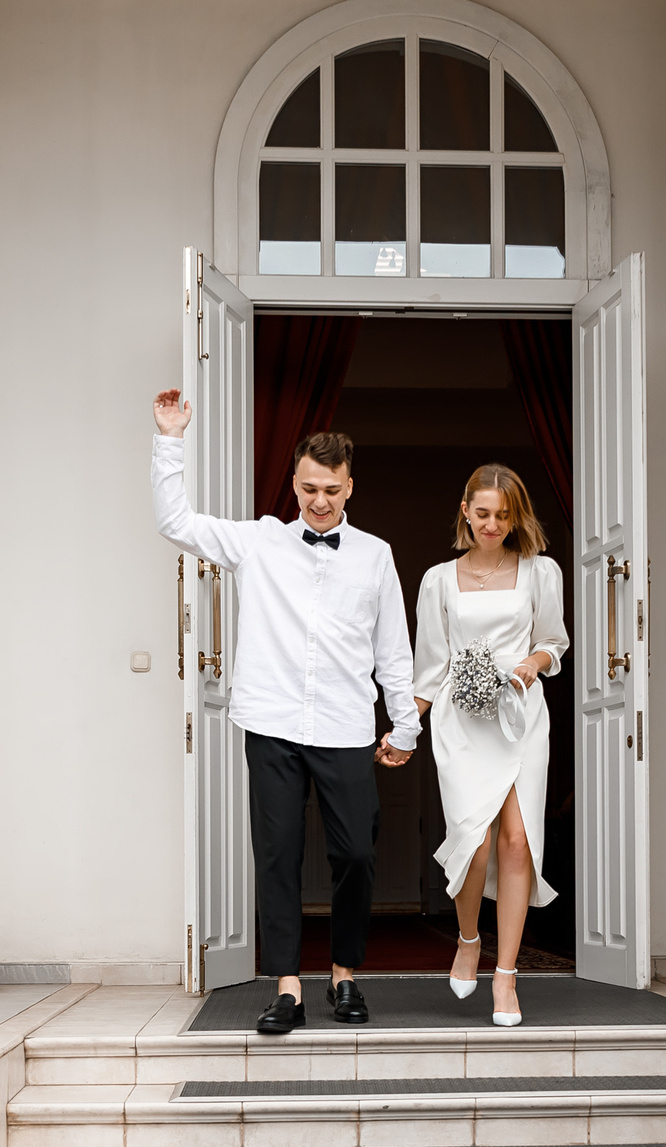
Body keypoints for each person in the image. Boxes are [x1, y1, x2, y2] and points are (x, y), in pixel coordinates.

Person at [150, 389, 418, 1033]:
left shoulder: (375, 554)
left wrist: (405, 725)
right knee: (277, 854)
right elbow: (175, 521)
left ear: (349, 486)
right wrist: (170, 439)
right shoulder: (260, 542)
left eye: (330, 489)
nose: (319, 501)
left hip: (347, 726)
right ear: (293, 485)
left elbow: (392, 649)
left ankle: (345, 975)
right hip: (271, 723)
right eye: (307, 489)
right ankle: (288, 987)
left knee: (355, 854)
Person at [410, 465, 569, 1025]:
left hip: (520, 714)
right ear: (465, 510)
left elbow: (554, 641)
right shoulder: (438, 580)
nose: (493, 524)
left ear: (516, 517)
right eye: (483, 514)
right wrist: (404, 730)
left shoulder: (540, 571)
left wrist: (532, 663)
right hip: (460, 720)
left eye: (504, 515)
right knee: (473, 842)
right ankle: (469, 939)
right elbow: (430, 667)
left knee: (517, 842)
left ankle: (505, 976)